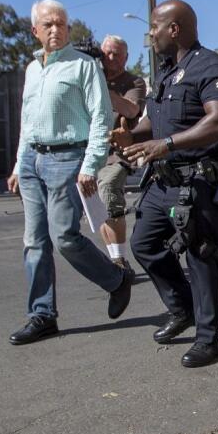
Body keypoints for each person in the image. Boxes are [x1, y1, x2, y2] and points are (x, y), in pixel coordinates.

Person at [115, 0, 218, 369]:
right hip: (163, 180)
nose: (150, 33)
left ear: (174, 29)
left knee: (201, 255)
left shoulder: (212, 68)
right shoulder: (167, 72)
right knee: (144, 243)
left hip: (199, 180)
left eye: (154, 26)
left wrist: (165, 145)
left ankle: (208, 339)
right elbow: (157, 122)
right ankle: (182, 308)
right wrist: (130, 136)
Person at [6, 0, 135, 347]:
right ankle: (42, 315)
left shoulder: (83, 66)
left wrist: (90, 164)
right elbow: (27, 122)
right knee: (34, 241)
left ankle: (116, 280)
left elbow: (101, 116)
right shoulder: (33, 70)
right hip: (33, 161)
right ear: (35, 31)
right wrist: (20, 164)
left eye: (61, 23)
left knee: (64, 236)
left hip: (67, 161)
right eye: (47, 24)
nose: (55, 29)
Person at [95, 35, 147, 271]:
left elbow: (132, 109)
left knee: (108, 189)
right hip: (89, 149)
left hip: (118, 151)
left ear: (125, 57)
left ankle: (119, 259)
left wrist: (104, 89)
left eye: (117, 53)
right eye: (107, 53)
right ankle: (115, 257)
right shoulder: (89, 76)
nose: (111, 57)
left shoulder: (134, 82)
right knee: (94, 206)